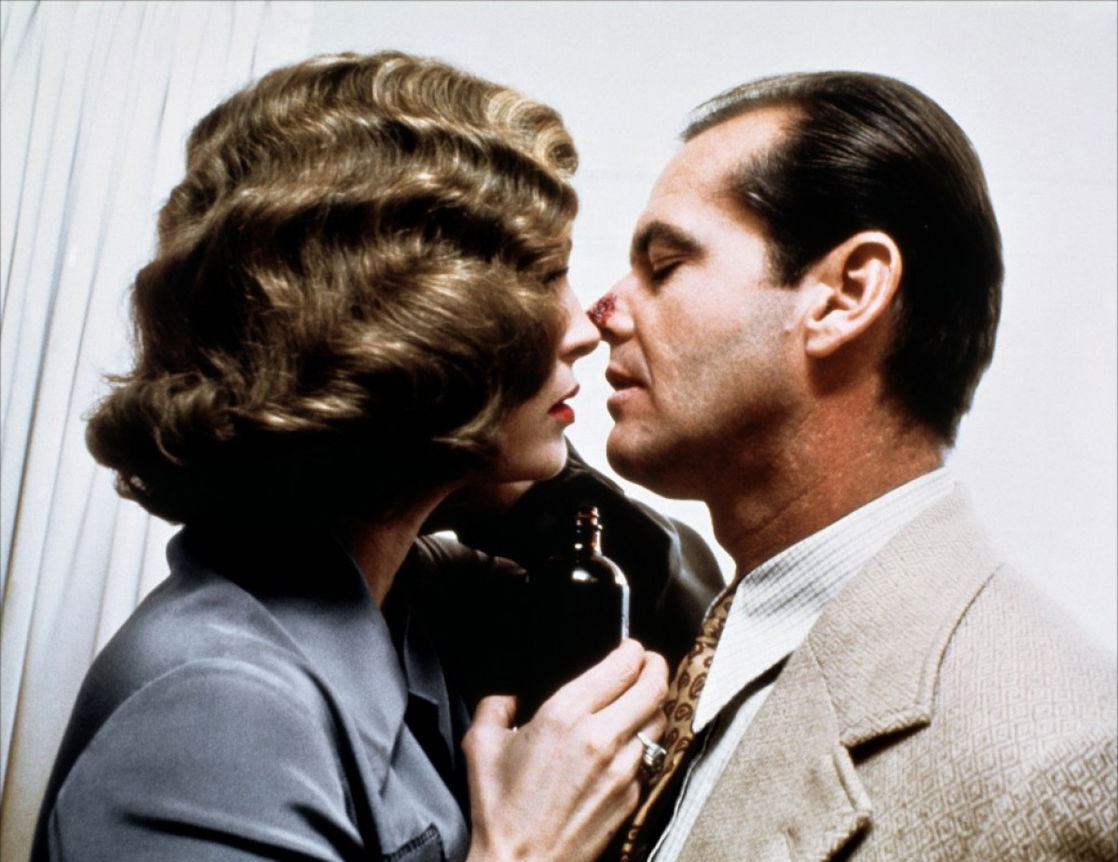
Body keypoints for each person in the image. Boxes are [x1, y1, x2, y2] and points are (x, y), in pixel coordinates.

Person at [32, 51, 682, 862]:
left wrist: (466, 468)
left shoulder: (416, 599)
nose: (585, 328)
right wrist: (527, 851)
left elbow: (662, 594)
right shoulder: (216, 705)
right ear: (416, 327)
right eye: (549, 276)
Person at [591, 71, 1118, 861]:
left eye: (665, 265)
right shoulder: (701, 625)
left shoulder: (1057, 756)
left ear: (845, 296)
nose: (601, 311)